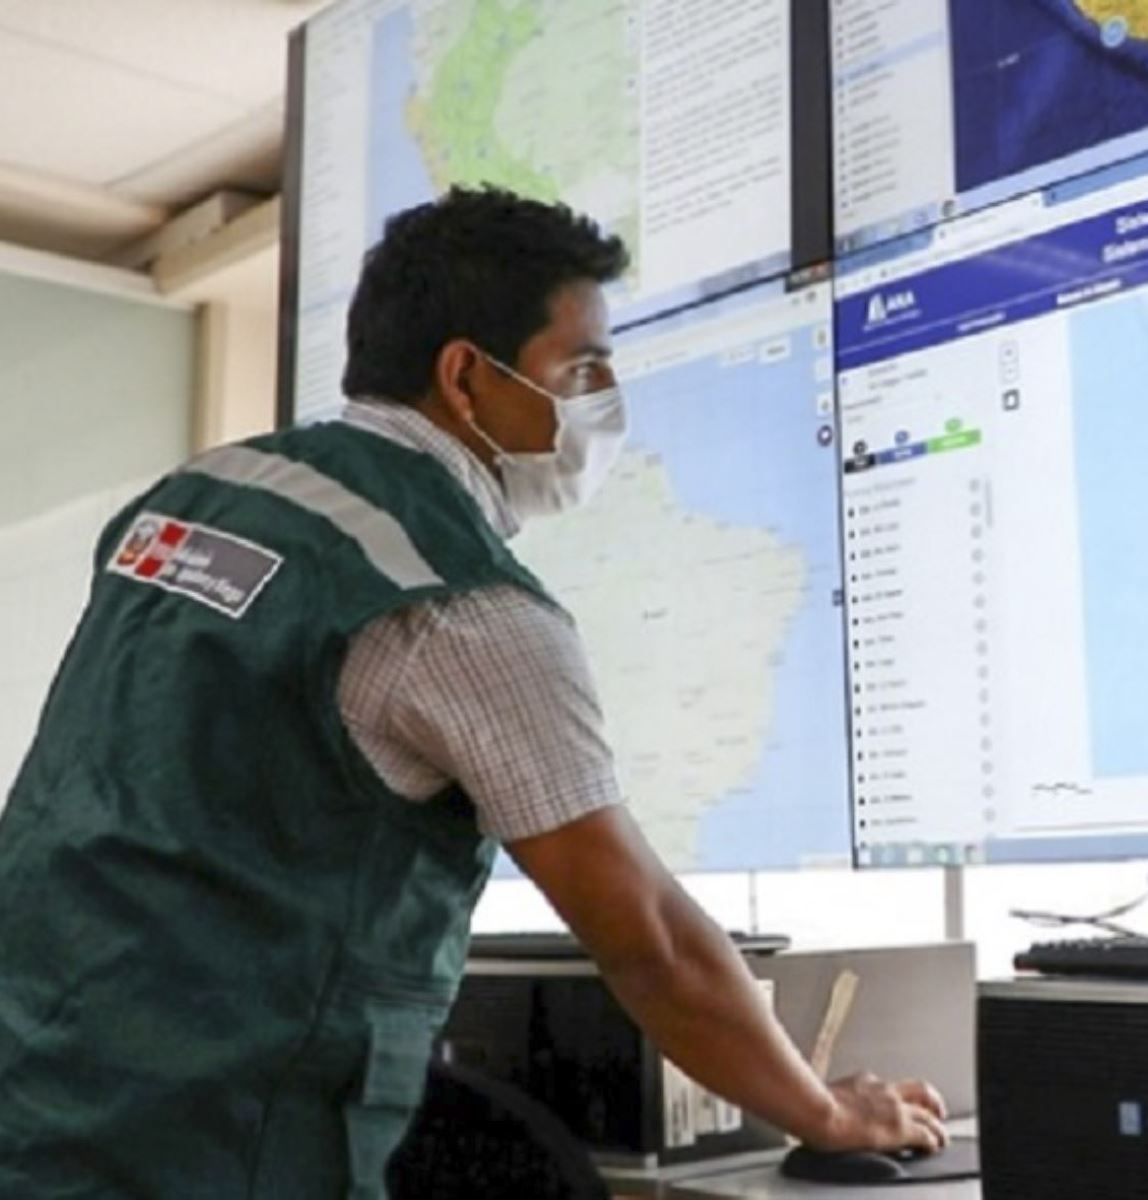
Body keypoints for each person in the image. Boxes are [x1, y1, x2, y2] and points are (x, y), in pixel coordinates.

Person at [0, 187, 945, 1198]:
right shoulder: (459, 607)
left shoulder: (197, 496)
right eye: (582, 369)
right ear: (465, 376)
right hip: (215, 1146)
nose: (607, 403)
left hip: (35, 1085)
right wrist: (827, 1112)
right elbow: (651, 943)